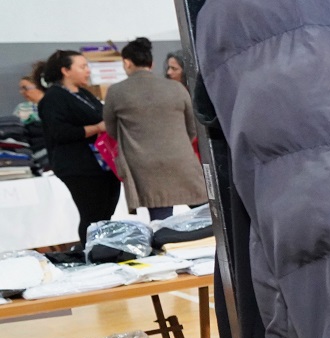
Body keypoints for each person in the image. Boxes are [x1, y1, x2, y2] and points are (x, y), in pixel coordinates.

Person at [102, 37, 205, 220]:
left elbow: (111, 130)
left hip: (145, 166)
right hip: (181, 160)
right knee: (205, 214)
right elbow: (193, 127)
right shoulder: (177, 88)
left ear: (126, 62)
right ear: (152, 63)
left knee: (161, 221)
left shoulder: (116, 91)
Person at [37, 49, 121, 245]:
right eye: (82, 67)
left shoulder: (84, 94)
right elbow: (59, 132)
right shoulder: (53, 98)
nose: (88, 71)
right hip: (78, 166)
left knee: (105, 213)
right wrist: (96, 128)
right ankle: (92, 253)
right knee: (92, 214)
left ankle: (106, 249)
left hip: (102, 163)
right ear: (65, 70)